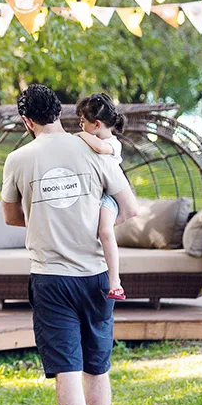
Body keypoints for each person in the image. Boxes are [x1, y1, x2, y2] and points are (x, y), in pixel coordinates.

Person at [0, 84, 139, 405]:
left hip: (50, 279)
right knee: (97, 369)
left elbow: (11, 217)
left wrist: (48, 219)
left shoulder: (18, 159)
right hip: (97, 276)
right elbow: (129, 208)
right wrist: (93, 220)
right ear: (58, 113)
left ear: (27, 121)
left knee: (67, 370)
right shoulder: (95, 147)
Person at [75, 93, 129, 301]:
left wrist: (79, 136)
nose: (80, 127)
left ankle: (115, 282)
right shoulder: (90, 140)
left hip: (110, 196)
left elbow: (101, 149)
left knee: (105, 231)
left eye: (82, 123)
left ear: (96, 124)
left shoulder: (113, 144)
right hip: (93, 194)